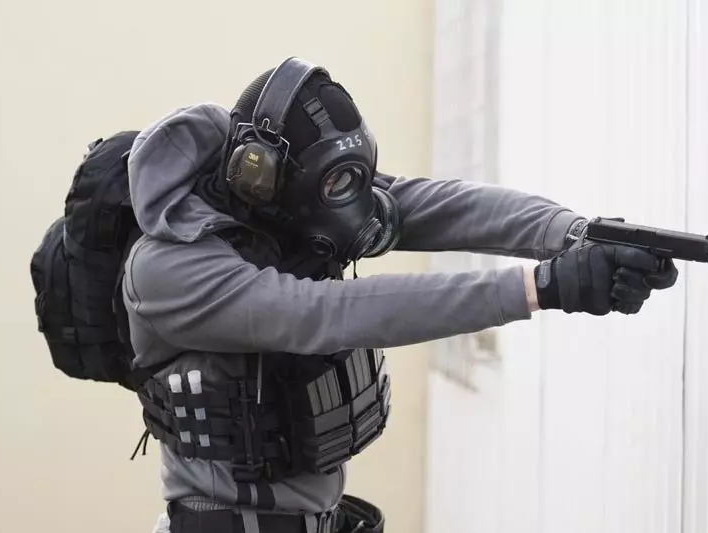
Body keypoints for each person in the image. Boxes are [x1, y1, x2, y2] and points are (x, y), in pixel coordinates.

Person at [122, 57, 678, 533]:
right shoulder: (169, 267)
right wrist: (543, 287)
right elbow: (324, 314)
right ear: (260, 176)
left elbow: (442, 206)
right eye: (333, 186)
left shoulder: (275, 207)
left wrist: (579, 235)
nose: (352, 204)